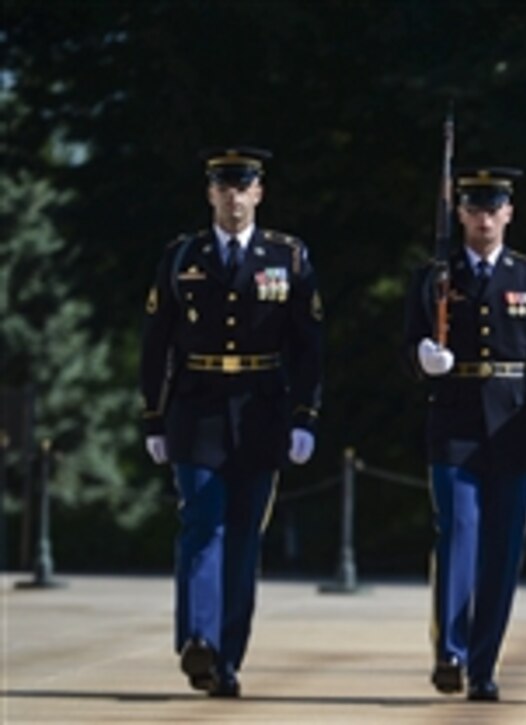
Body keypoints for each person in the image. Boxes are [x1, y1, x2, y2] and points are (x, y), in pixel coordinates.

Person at [140, 147, 323, 697]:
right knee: (202, 522)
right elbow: (156, 344)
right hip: (197, 407)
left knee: (243, 538)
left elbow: (309, 346)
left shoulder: (287, 257)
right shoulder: (182, 256)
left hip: (261, 408)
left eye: (242, 187)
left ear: (258, 194)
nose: (233, 197)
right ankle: (197, 637)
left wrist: (305, 416)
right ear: (211, 194)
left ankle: (226, 657)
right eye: (223, 187)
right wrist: (153, 416)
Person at [402, 167, 526, 702]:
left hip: (513, 427)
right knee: (458, 534)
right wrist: (422, 358)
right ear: (459, 214)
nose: (483, 217)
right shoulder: (434, 276)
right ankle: (451, 651)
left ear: (508, 212)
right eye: (473, 208)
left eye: (492, 207)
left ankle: (484, 665)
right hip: (454, 421)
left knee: (502, 552)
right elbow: (408, 347)